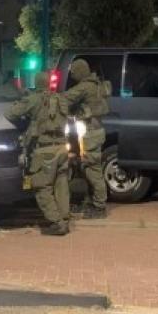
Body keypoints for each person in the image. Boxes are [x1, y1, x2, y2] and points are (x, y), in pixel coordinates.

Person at [5, 71, 71, 235]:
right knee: (61, 184)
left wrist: (25, 123)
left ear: (36, 83)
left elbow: (10, 113)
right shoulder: (62, 99)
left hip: (44, 149)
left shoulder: (34, 99)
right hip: (62, 147)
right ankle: (64, 219)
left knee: (41, 186)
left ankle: (56, 222)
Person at [61, 59, 109, 219]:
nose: (72, 76)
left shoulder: (85, 87)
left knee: (92, 169)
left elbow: (65, 98)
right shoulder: (97, 84)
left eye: (74, 72)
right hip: (95, 131)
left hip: (90, 133)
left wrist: (47, 97)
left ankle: (99, 206)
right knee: (87, 167)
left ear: (81, 71)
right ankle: (90, 201)